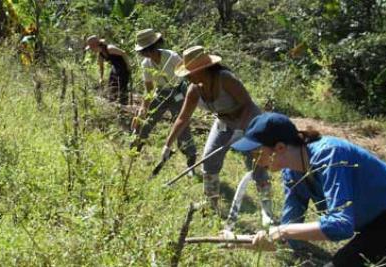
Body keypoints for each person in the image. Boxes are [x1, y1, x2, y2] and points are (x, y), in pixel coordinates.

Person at [230, 112, 386, 267]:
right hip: (377, 223)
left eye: (257, 153)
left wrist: (282, 232)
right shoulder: (292, 173)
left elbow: (341, 226)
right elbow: (290, 226)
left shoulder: (330, 154)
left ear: (280, 148)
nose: (255, 160)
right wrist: (253, 240)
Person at [162, 45, 275, 225]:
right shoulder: (194, 89)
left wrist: (241, 130)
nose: (188, 76)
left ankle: (267, 212)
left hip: (249, 121)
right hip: (224, 122)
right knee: (209, 160)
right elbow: (182, 118)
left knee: (257, 166)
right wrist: (168, 144)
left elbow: (247, 104)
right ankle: (211, 203)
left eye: (191, 72)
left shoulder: (225, 79)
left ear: (203, 70)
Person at [131, 29, 197, 172]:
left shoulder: (171, 57)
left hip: (178, 93)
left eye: (149, 49)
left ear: (155, 45)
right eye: (144, 51)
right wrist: (143, 108)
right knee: (145, 122)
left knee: (182, 127)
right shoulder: (146, 64)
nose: (148, 53)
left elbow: (188, 75)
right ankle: (133, 155)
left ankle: (191, 162)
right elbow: (149, 89)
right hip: (161, 92)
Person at [85, 35, 130, 105]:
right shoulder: (100, 55)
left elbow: (123, 53)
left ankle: (124, 105)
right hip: (115, 68)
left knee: (122, 87)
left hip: (123, 68)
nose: (91, 50)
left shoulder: (110, 49)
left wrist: (128, 66)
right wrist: (101, 77)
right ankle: (113, 103)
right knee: (111, 86)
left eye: (91, 47)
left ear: (95, 45)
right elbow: (101, 67)